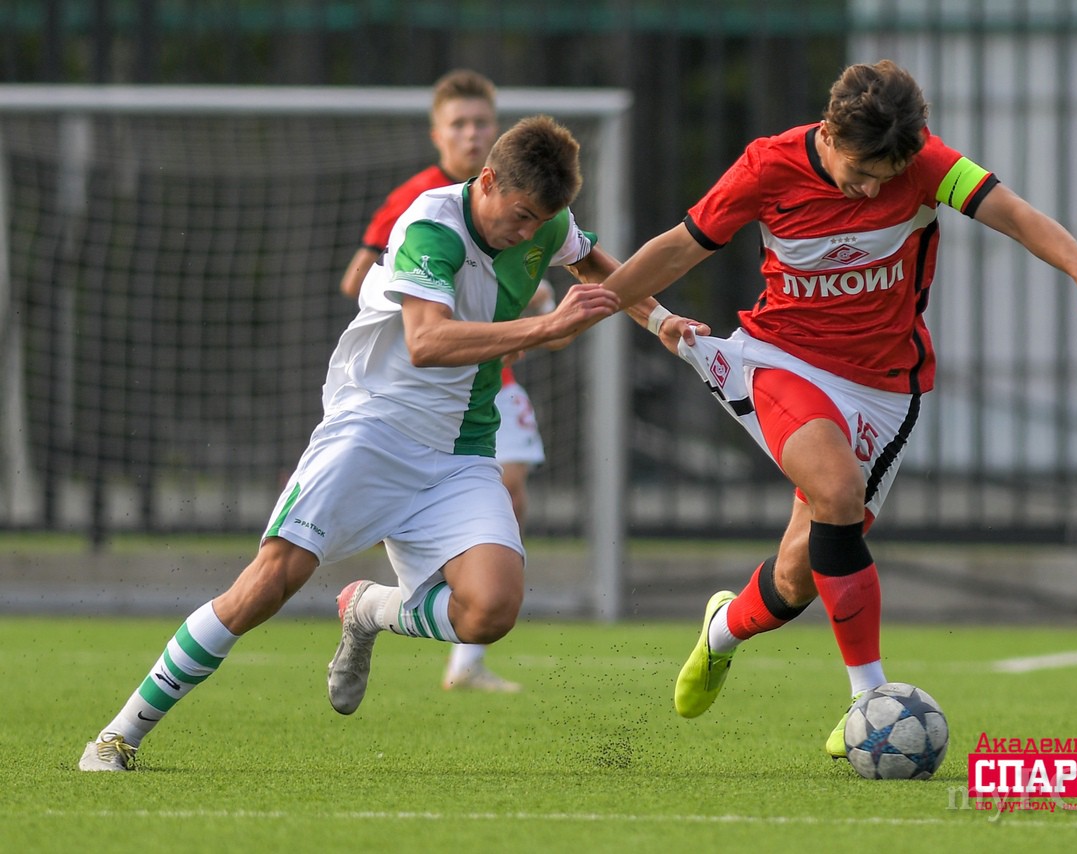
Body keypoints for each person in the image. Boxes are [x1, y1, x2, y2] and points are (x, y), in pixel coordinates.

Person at [77, 115, 661, 771]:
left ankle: (369, 608)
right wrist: (544, 326)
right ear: (487, 181)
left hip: (461, 450)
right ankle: (118, 736)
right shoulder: (432, 225)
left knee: (493, 609)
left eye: (541, 222)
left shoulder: (547, 222)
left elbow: (595, 267)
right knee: (268, 584)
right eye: (521, 216)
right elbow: (427, 341)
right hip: (373, 429)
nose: (529, 233)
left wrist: (661, 321)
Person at [600, 60, 1077, 758]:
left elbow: (1015, 214)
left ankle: (723, 630)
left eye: (888, 176)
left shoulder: (930, 164)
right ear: (828, 135)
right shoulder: (767, 167)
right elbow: (679, 248)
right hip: (781, 359)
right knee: (837, 489)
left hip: (884, 388)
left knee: (798, 575)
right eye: (860, 172)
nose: (873, 188)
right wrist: (593, 307)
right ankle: (871, 699)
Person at [339, 68, 539, 692]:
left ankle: (468, 657)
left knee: (512, 492)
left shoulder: (522, 201)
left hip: (494, 379)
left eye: (482, 122)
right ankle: (413, 593)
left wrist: (531, 307)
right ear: (437, 134)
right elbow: (357, 280)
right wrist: (429, 296)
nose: (472, 134)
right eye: (459, 124)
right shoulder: (418, 202)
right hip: (428, 389)